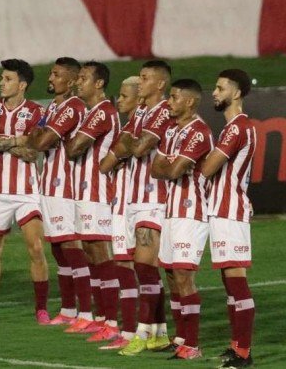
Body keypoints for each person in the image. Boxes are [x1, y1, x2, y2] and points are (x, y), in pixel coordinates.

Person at [0, 58, 50, 325]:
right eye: (2, 78)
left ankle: (41, 309)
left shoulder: (37, 112)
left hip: (27, 191)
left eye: (8, 79)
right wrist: (10, 141)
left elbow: (32, 152)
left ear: (22, 84)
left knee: (36, 248)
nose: (1, 83)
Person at [108, 60, 176, 356]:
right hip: (135, 201)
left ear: (160, 84)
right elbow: (121, 145)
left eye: (146, 78)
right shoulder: (143, 114)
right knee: (145, 270)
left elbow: (135, 148)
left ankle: (141, 331)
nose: (141, 83)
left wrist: (130, 142)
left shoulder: (163, 112)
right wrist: (129, 141)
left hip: (154, 201)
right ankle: (159, 333)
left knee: (145, 267)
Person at [27, 57, 93, 331]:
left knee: (71, 247)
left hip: (66, 186)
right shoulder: (53, 106)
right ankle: (68, 309)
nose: (51, 78)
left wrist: (37, 137)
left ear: (71, 80)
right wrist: (36, 137)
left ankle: (87, 314)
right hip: (49, 185)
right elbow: (35, 139)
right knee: (58, 249)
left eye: (56, 74)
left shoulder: (73, 107)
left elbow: (39, 141)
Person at [151, 79, 214, 360]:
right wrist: (169, 166)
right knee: (171, 275)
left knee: (184, 277)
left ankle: (193, 344)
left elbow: (174, 170)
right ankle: (180, 338)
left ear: (189, 102)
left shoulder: (199, 132)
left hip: (192, 212)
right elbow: (156, 168)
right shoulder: (173, 131)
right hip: (171, 212)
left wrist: (170, 166)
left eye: (174, 97)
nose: (168, 102)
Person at [201, 69, 258, 369]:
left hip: (230, 211)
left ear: (236, 94)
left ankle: (244, 353)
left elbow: (208, 168)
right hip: (221, 211)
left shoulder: (238, 128)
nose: (214, 92)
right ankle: (236, 347)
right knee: (228, 282)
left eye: (220, 88)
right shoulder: (233, 128)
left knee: (237, 282)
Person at [65, 61, 120, 343]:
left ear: (99, 84)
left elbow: (74, 148)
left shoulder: (104, 112)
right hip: (83, 192)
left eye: (84, 78)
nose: (78, 83)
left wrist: (60, 132)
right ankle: (100, 318)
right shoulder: (90, 113)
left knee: (101, 253)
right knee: (90, 253)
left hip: (98, 193)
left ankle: (112, 320)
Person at [97, 76, 140, 350]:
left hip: (138, 205)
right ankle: (129, 331)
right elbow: (105, 164)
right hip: (120, 204)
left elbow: (110, 160)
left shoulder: (142, 126)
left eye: (125, 96)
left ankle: (142, 331)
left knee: (142, 270)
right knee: (123, 265)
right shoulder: (128, 127)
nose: (119, 100)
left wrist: (119, 154)